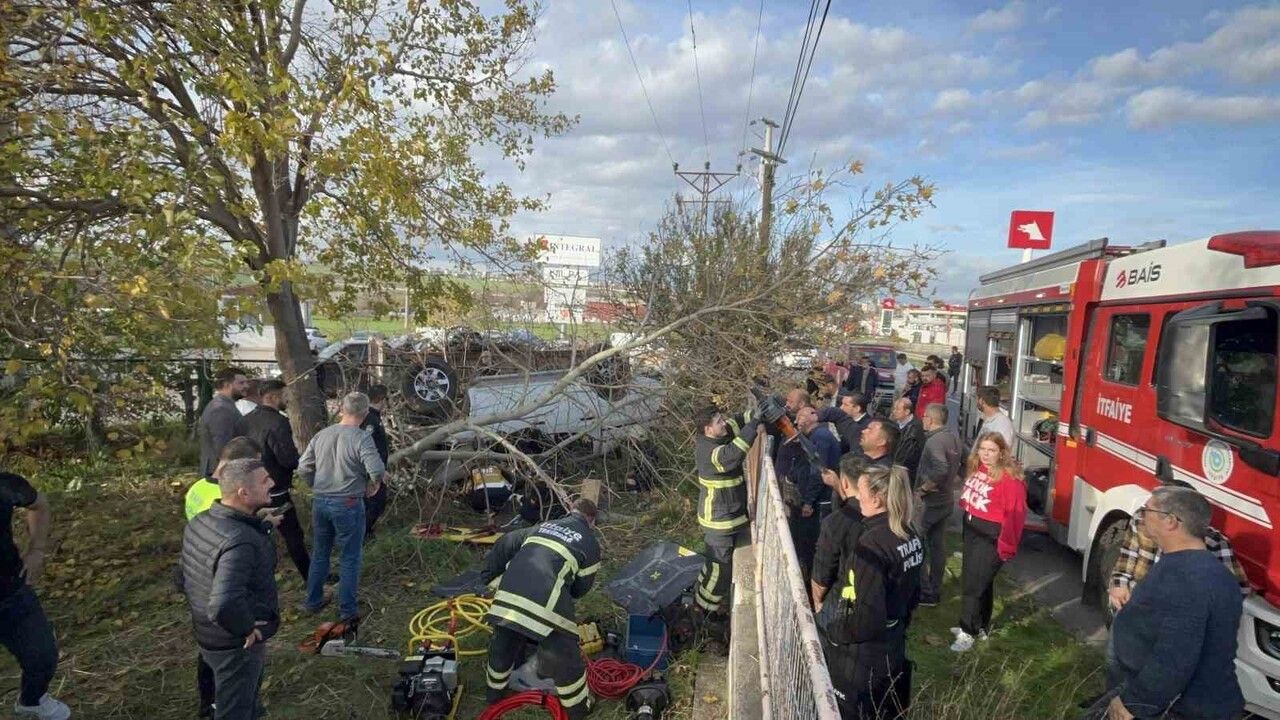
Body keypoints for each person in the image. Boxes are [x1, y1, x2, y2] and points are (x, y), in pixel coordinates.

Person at [1090, 487, 1245, 720]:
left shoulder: (1190, 579)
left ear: (1171, 522)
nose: (1142, 515)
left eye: (1147, 510)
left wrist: (1134, 704)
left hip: (1181, 708)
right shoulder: (1188, 566)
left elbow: (1174, 656)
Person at [178, 459, 280, 720]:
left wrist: (265, 527)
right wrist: (248, 629)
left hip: (207, 634)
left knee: (235, 697)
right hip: (234, 643)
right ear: (243, 493)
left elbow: (182, 577)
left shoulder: (201, 521)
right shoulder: (240, 540)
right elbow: (224, 603)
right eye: (265, 480)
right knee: (234, 709)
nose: (273, 484)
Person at [481, 500, 601, 719]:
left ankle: (493, 694)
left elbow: (506, 541)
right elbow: (581, 588)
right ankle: (579, 708)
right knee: (564, 656)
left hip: (507, 595)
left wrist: (488, 576)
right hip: (546, 602)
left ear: (570, 511)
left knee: (503, 644)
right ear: (591, 520)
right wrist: (565, 594)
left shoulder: (544, 525)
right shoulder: (590, 542)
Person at [822, 465, 923, 719]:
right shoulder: (909, 533)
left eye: (862, 492)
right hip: (894, 641)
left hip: (862, 657)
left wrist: (835, 634)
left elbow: (862, 611)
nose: (858, 498)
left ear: (877, 498)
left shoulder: (872, 543)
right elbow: (914, 594)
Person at [298, 392, 385, 621]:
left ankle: (312, 601)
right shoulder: (361, 438)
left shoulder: (321, 435)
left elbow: (304, 467)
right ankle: (347, 610)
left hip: (320, 500)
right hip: (348, 501)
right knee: (350, 557)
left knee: (320, 553)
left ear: (342, 410)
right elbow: (376, 469)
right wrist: (373, 484)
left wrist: (315, 484)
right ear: (365, 413)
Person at [1, 472, 68, 720]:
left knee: (43, 657)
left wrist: (37, 550)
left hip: (11, 593)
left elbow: (39, 504)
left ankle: (32, 701)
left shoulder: (5, 485)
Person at [951, 432, 1026, 652]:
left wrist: (1006, 547)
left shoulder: (1010, 481)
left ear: (1002, 453)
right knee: (980, 581)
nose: (985, 454)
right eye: (982, 449)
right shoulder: (979, 469)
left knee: (973, 585)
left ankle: (967, 631)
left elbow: (1015, 516)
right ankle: (979, 625)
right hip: (973, 530)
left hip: (991, 537)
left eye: (991, 450)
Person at [691, 403, 761, 615]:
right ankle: (704, 611)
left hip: (728, 516)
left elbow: (738, 421)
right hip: (719, 520)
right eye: (718, 422)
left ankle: (700, 596)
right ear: (708, 430)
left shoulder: (717, 435)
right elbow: (733, 455)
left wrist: (757, 413)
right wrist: (757, 422)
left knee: (714, 564)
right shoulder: (708, 451)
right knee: (720, 570)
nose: (724, 424)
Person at [237, 380, 310, 580]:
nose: (287, 400)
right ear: (272, 397)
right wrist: (299, 459)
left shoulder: (245, 420)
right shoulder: (278, 422)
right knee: (293, 536)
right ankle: (310, 577)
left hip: (248, 487)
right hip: (276, 490)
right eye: (284, 396)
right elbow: (287, 459)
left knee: (255, 535)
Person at [777, 404, 841, 584]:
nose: (797, 423)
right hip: (819, 500)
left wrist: (808, 502)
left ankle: (817, 580)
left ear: (811, 417)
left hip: (821, 502)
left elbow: (818, 472)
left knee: (815, 543)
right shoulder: (817, 436)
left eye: (800, 418)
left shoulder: (820, 437)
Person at [915, 404, 963, 606]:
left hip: (930, 503)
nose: (922, 419)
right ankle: (935, 589)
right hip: (946, 500)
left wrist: (923, 488)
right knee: (937, 546)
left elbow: (941, 468)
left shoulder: (934, 442)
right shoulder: (954, 438)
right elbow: (967, 461)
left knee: (915, 543)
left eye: (924, 416)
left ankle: (925, 590)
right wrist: (957, 480)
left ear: (931, 419)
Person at [813, 454, 866, 615]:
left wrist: (818, 603)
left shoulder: (834, 523)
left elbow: (821, 574)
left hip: (842, 602)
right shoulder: (883, 513)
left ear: (844, 481)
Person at [199, 368, 249, 480]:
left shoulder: (225, 405)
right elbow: (223, 448)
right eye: (241, 383)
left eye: (246, 382)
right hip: (221, 474)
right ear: (227, 385)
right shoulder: (221, 409)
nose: (246, 386)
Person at [361, 384, 391, 539]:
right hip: (373, 471)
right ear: (381, 399)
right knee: (376, 503)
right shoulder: (371, 420)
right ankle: (363, 534)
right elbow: (369, 448)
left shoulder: (374, 416)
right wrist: (379, 471)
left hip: (376, 469)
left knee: (375, 504)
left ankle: (367, 532)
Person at [890, 397, 924, 483]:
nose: (894, 412)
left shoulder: (915, 428)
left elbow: (906, 455)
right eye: (894, 408)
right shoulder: (895, 424)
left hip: (907, 473)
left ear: (907, 412)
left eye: (897, 409)